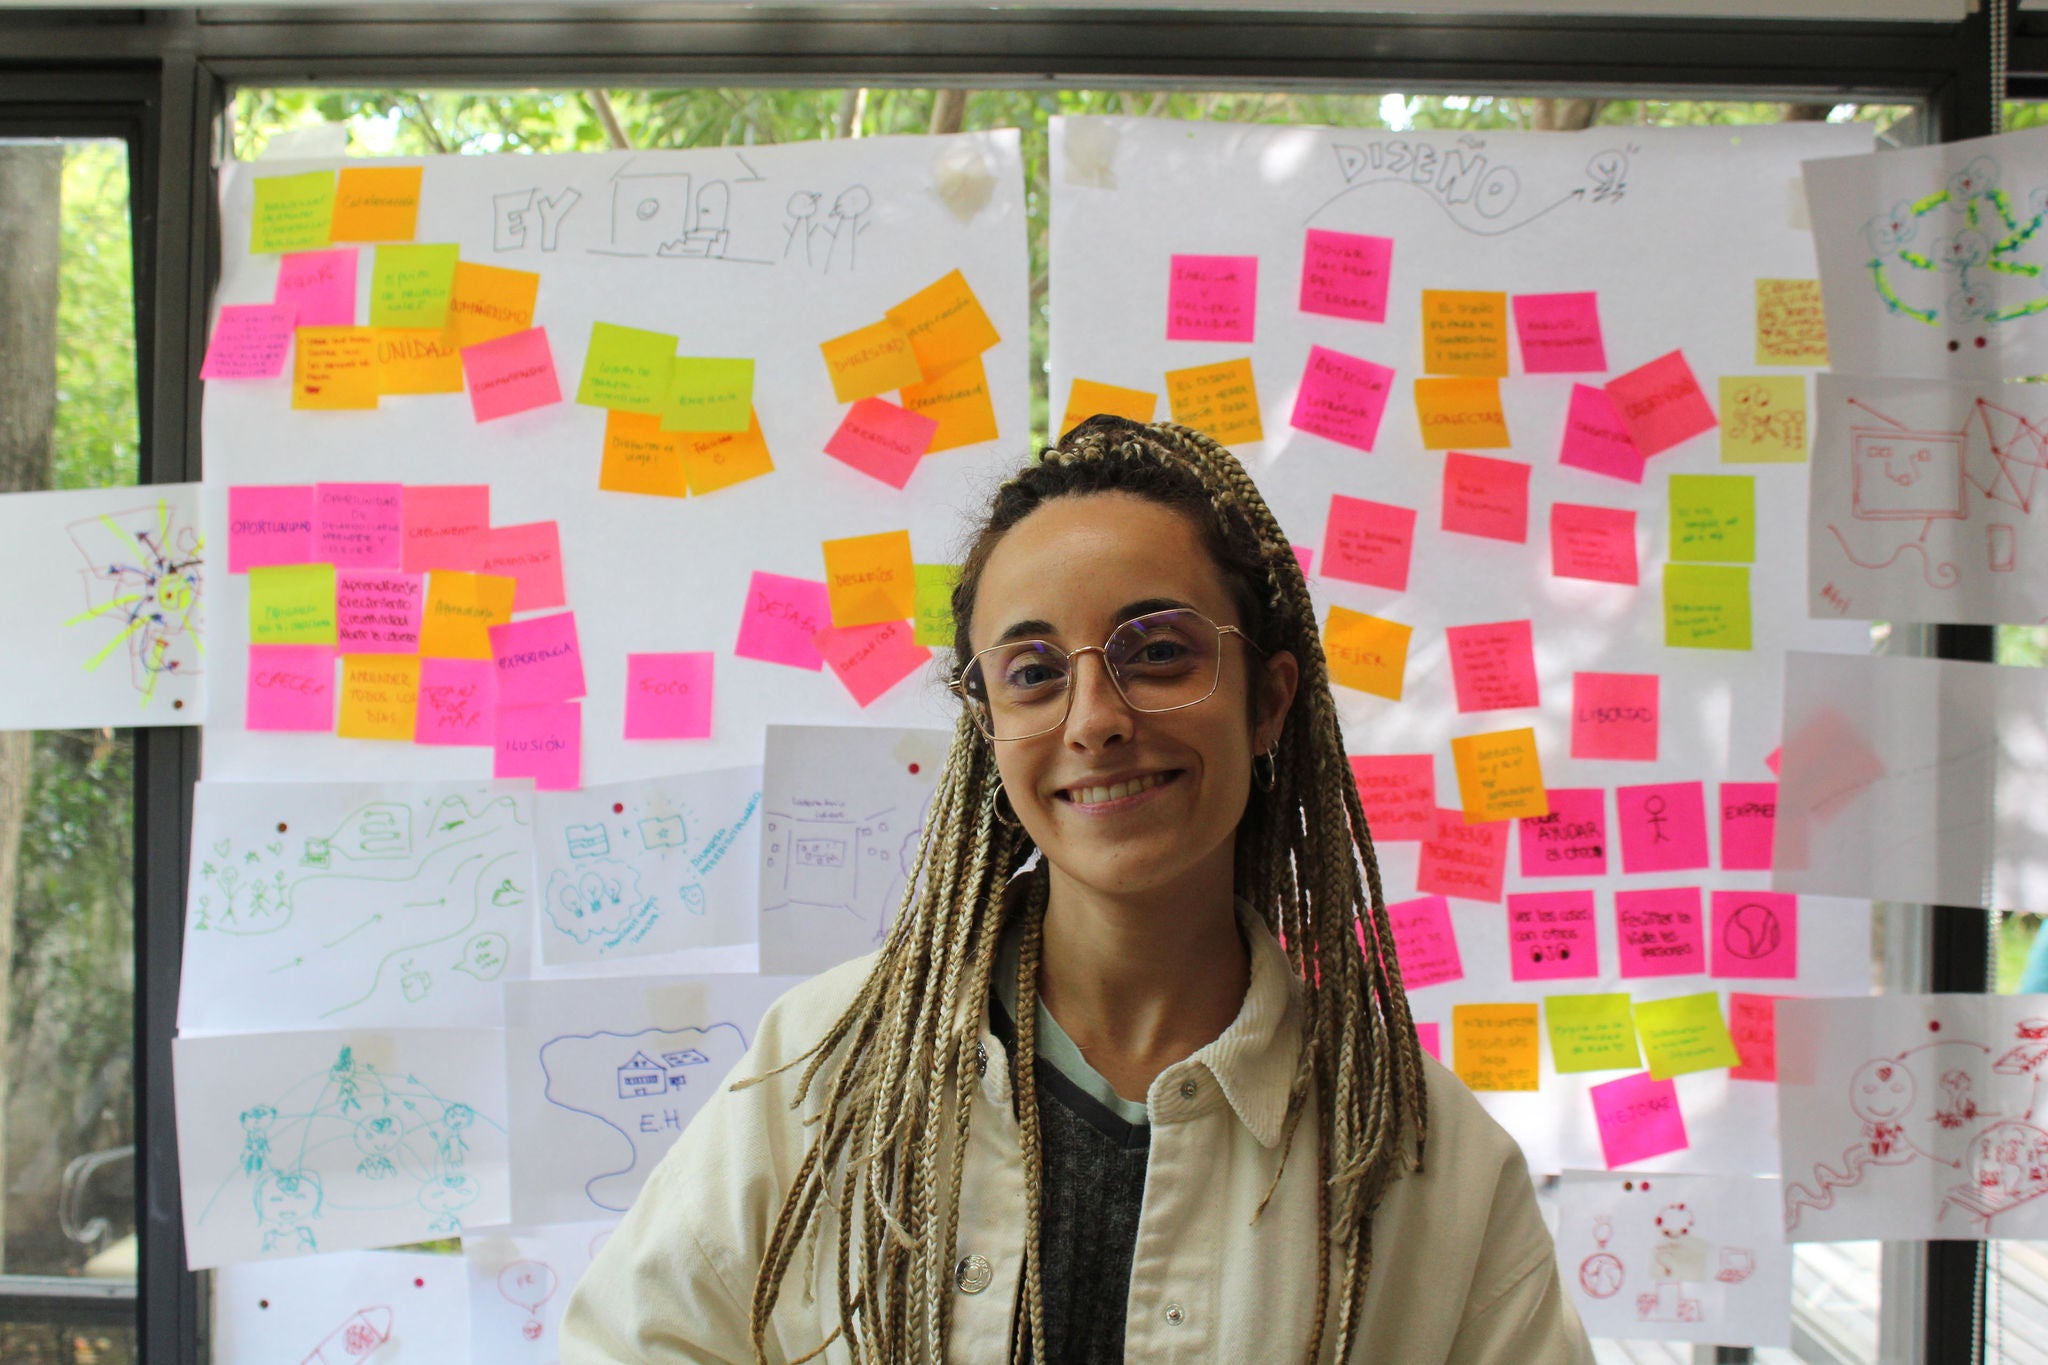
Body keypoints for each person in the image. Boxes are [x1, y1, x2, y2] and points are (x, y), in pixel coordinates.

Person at [561, 416, 1590, 1363]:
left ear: (1267, 700)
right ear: (986, 722)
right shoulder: (824, 1069)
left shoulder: (1423, 1160)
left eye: (1156, 653)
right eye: (1032, 671)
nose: (1094, 718)